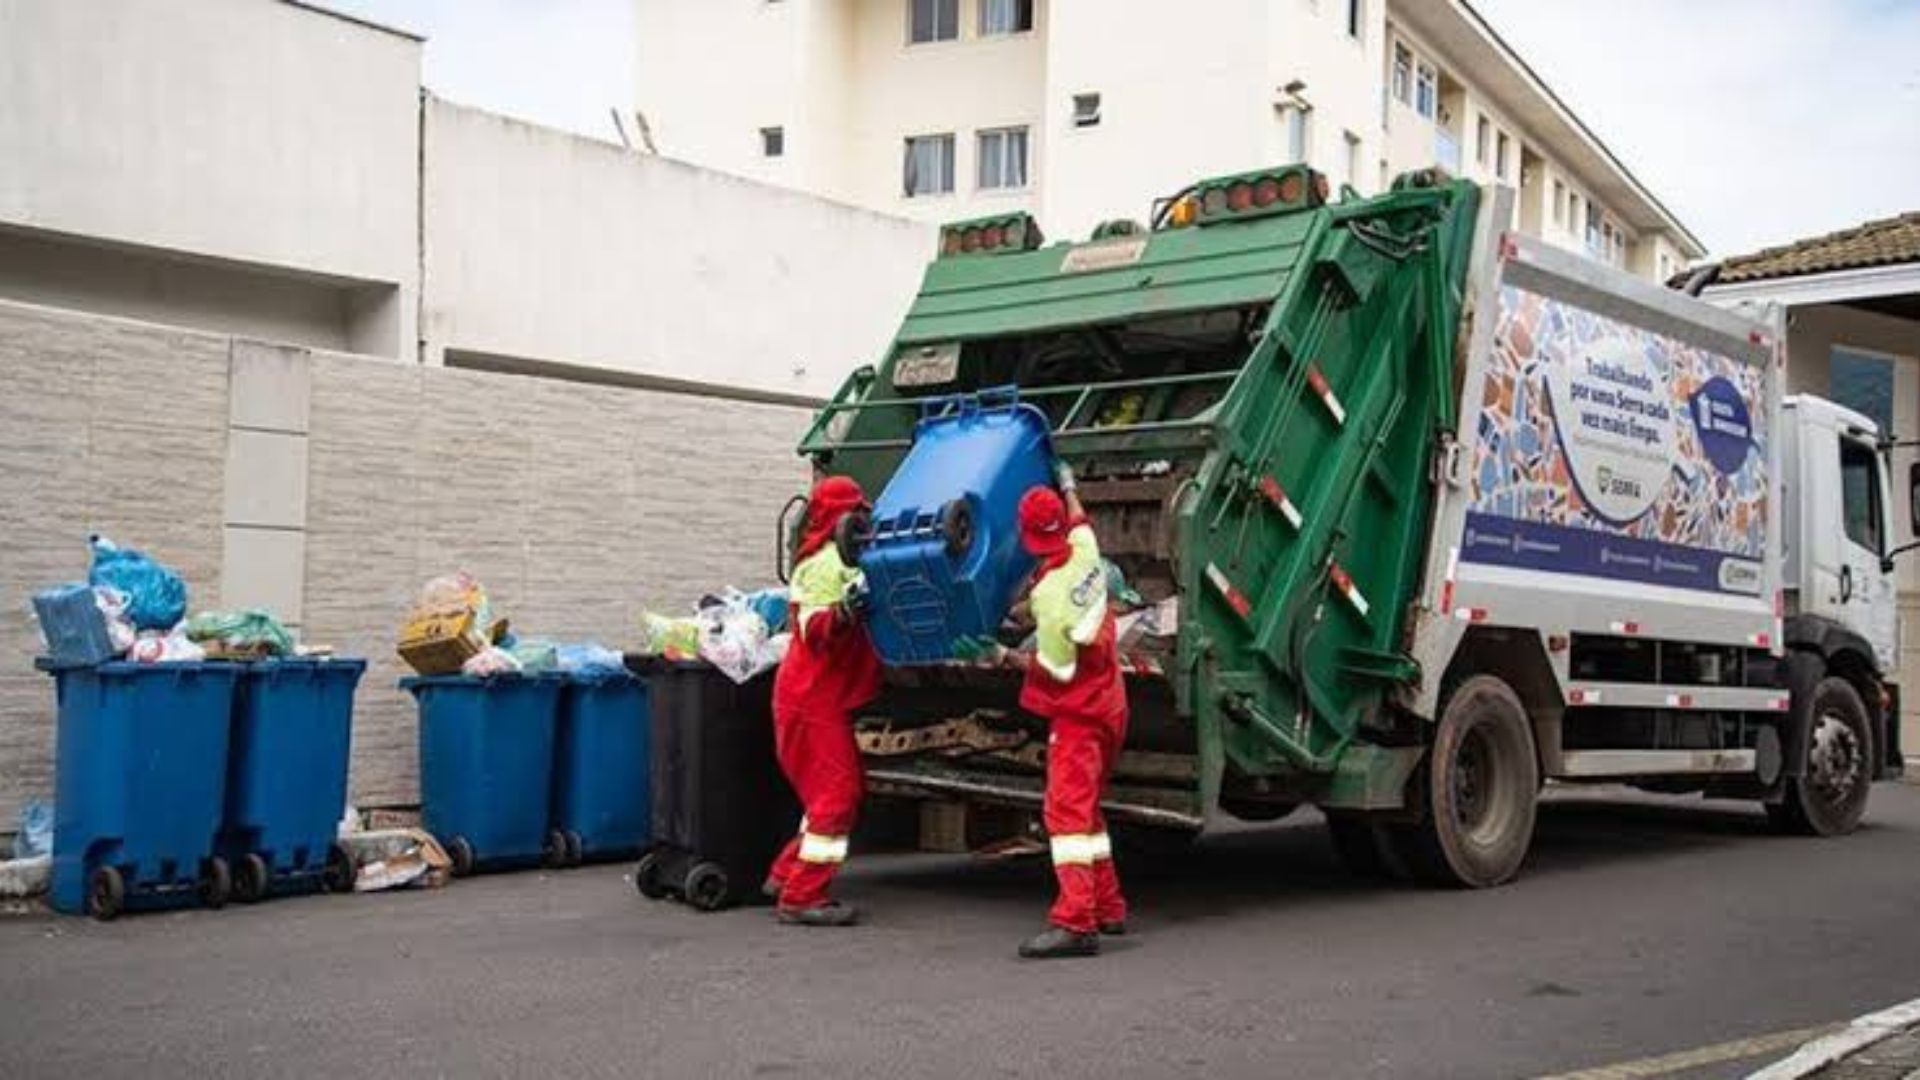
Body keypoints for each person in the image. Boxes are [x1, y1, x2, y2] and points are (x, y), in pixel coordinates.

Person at [1013, 463, 1130, 959]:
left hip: (1078, 713)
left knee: (1065, 815)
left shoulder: (1049, 597)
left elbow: (1055, 669)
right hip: (1110, 701)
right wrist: (1068, 484)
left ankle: (1077, 921)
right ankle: (1109, 906)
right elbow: (1080, 519)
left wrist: (1002, 656)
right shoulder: (1086, 552)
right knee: (1088, 812)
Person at [764, 475, 882, 926]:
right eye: (859, 512)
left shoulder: (827, 558)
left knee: (826, 798)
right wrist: (845, 611)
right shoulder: (822, 565)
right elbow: (815, 628)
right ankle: (802, 895)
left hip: (809, 696)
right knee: (838, 796)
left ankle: (786, 873)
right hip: (813, 700)